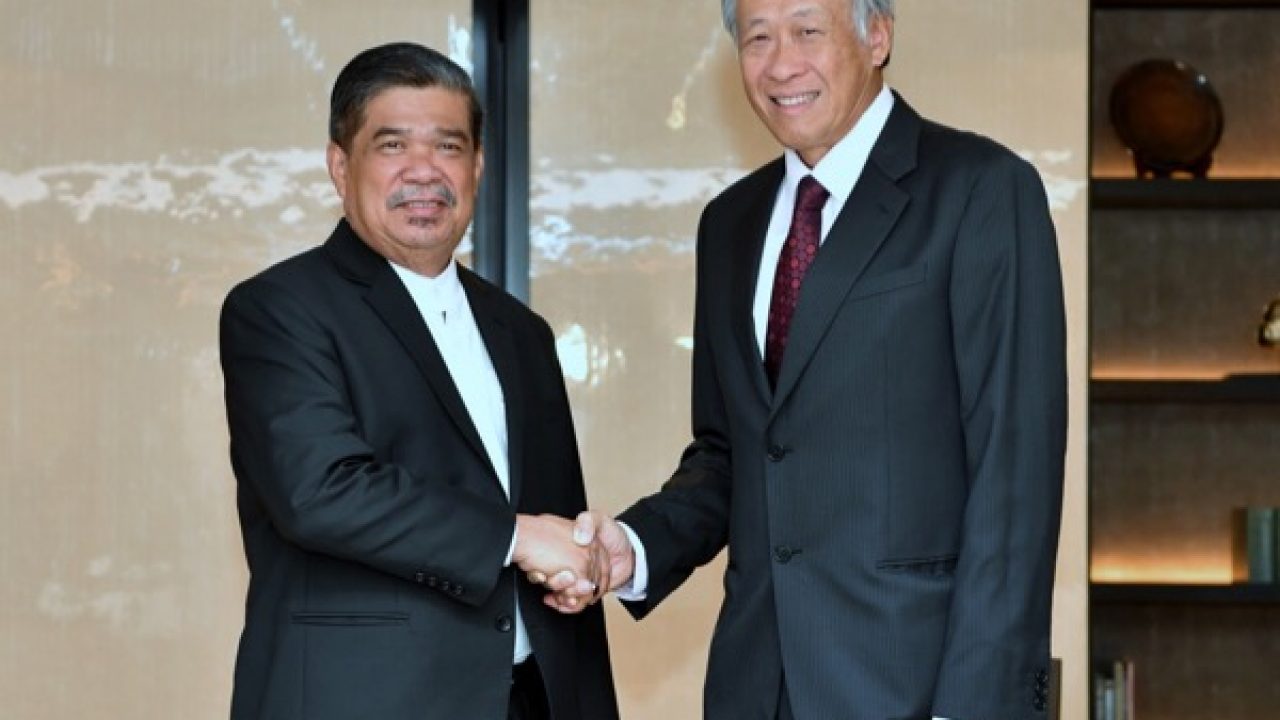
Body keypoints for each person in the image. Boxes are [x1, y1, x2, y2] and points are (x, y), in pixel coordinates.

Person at [555, 1, 1067, 718]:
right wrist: (635, 547)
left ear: (877, 35)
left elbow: (1014, 470)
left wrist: (975, 705)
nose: (780, 64)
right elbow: (733, 454)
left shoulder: (979, 189)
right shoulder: (728, 223)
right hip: (755, 685)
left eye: (807, 31)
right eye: (757, 38)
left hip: (915, 686)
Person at [219, 43, 618, 720]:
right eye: (393, 145)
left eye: (448, 146)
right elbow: (320, 491)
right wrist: (518, 537)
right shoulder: (280, 309)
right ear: (340, 166)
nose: (424, 170)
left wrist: (575, 567)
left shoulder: (522, 331)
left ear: (477, 166)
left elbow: (550, 526)